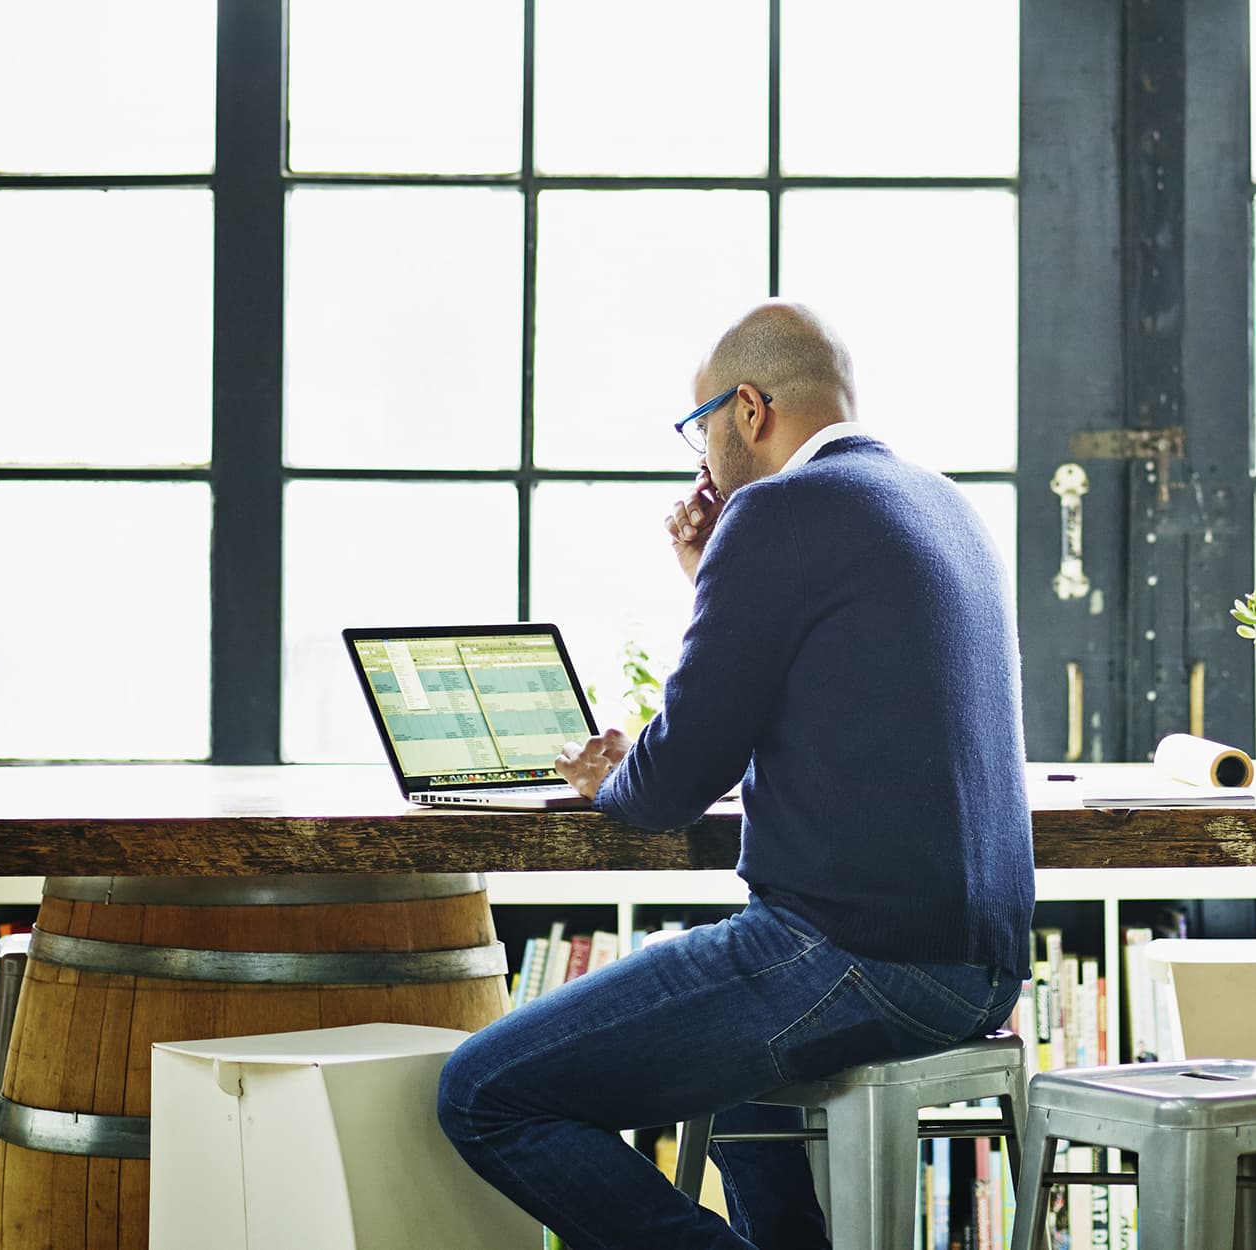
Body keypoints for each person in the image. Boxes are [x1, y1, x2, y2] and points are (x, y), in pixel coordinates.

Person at [437, 302, 1035, 1249]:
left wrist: (609, 779)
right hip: (982, 971)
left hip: (853, 955)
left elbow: (671, 785)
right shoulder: (941, 504)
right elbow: (830, 684)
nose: (703, 457)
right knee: (738, 1067)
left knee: (482, 1093)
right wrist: (719, 569)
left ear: (748, 409)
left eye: (701, 426)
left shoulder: (778, 511)